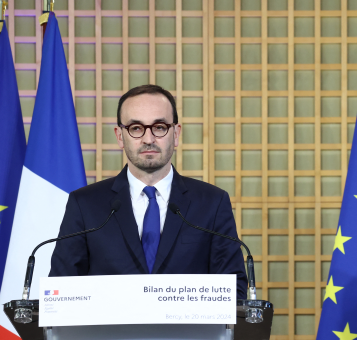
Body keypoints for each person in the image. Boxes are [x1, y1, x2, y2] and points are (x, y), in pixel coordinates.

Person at [50, 84, 247, 299]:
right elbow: (62, 289)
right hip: (112, 333)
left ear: (176, 133)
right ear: (119, 136)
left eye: (160, 127)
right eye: (136, 128)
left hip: (186, 333)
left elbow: (233, 290)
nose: (148, 139)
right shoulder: (84, 204)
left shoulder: (212, 203)